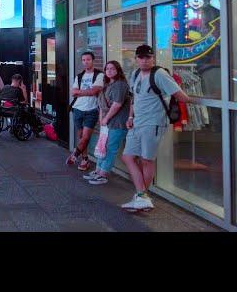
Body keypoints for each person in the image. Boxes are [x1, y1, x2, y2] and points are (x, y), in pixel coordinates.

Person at [120, 45, 196, 211]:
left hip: (153, 123)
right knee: (127, 157)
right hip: (137, 122)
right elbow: (134, 98)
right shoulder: (135, 74)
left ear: (153, 58)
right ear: (136, 59)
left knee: (147, 160)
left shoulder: (160, 74)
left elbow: (179, 95)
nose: (144, 60)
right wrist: (131, 117)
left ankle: (141, 197)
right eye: (141, 57)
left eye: (148, 57)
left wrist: (197, 100)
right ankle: (142, 196)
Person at [82, 61, 130, 185]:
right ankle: (98, 171)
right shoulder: (108, 84)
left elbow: (117, 105)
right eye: (107, 69)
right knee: (103, 147)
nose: (109, 71)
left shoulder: (120, 85)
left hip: (117, 123)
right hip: (108, 123)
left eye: (112, 69)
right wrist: (102, 118)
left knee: (110, 149)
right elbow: (102, 105)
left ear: (118, 70)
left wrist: (106, 118)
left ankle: (103, 174)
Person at [66, 51, 104, 172]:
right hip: (78, 108)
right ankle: (85, 159)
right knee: (81, 136)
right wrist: (87, 91)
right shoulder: (79, 76)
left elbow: (94, 91)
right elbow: (73, 92)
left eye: (88, 59)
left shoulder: (99, 75)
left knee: (86, 136)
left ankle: (74, 155)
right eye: (83, 60)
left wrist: (80, 92)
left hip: (91, 110)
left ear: (93, 60)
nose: (86, 62)